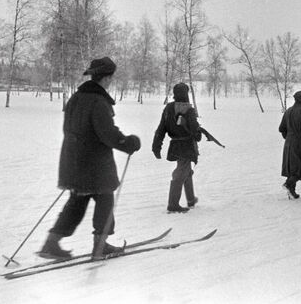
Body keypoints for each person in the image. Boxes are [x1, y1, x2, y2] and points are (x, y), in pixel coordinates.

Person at [39, 57, 141, 260]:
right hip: (95, 165)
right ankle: (100, 245)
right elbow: (107, 134)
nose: (111, 81)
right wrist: (128, 142)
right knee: (105, 199)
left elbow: (70, 128)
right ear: (106, 78)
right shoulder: (98, 101)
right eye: (111, 78)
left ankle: (51, 243)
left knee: (77, 202)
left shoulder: (76, 98)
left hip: (72, 160)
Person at [152, 83, 202, 213]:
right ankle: (173, 204)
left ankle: (191, 199)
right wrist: (198, 133)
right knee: (181, 172)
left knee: (186, 170)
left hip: (174, 145)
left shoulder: (168, 108)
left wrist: (156, 145)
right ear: (186, 94)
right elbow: (196, 133)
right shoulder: (189, 110)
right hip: (186, 146)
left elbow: (161, 128)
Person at [278, 90, 301, 199]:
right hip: (300, 143)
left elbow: (281, 128)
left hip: (289, 143)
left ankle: (291, 191)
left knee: (292, 166)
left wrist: (288, 138)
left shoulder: (288, 111)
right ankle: (288, 184)